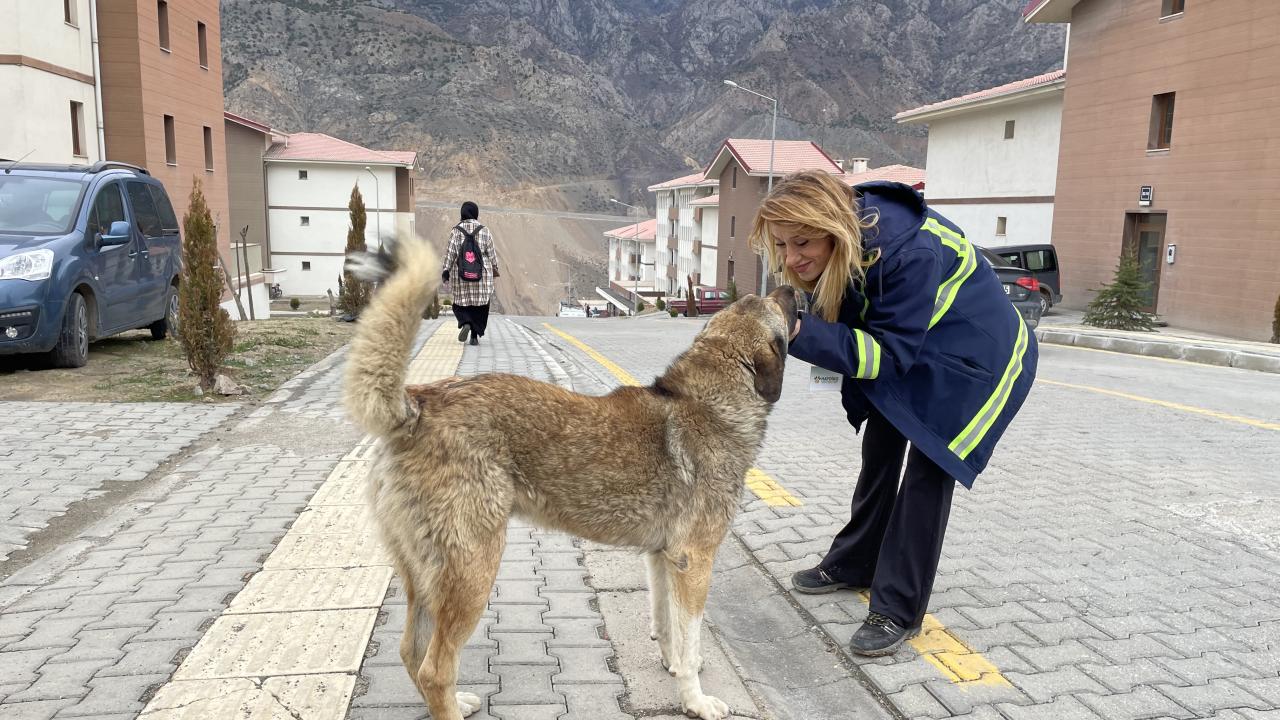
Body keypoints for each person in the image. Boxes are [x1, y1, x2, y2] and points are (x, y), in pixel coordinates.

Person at [751, 171, 1037, 656]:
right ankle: (854, 563)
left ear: (834, 228)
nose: (792, 258)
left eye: (802, 242)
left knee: (928, 470)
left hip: (979, 361)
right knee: (881, 445)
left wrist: (799, 335)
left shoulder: (909, 252)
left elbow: (887, 355)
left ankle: (897, 609)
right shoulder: (854, 245)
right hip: (923, 346)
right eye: (781, 245)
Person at [441, 201, 499, 345]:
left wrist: (446, 271)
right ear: (476, 213)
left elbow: (450, 253)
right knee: (481, 306)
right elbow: (491, 253)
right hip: (481, 276)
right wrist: (495, 268)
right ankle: (474, 335)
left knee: (461, 303)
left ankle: (465, 322)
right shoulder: (484, 230)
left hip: (461, 275)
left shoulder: (456, 231)